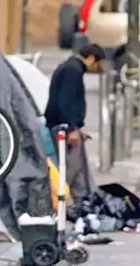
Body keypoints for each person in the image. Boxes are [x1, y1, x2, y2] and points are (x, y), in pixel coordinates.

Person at [45, 43, 105, 200]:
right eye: (97, 63)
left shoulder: (71, 68)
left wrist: (77, 128)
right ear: (91, 58)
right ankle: (60, 198)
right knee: (70, 167)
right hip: (63, 127)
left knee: (77, 169)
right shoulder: (73, 71)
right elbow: (67, 101)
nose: (97, 67)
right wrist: (71, 128)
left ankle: (80, 202)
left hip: (63, 125)